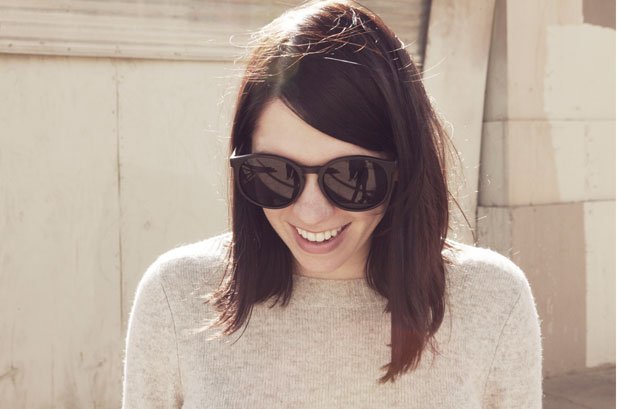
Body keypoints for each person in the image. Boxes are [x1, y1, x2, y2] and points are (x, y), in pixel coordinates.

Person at [121, 0, 543, 407]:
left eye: (352, 176)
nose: (311, 211)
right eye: (274, 173)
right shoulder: (176, 296)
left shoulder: (491, 300)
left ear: (404, 168)